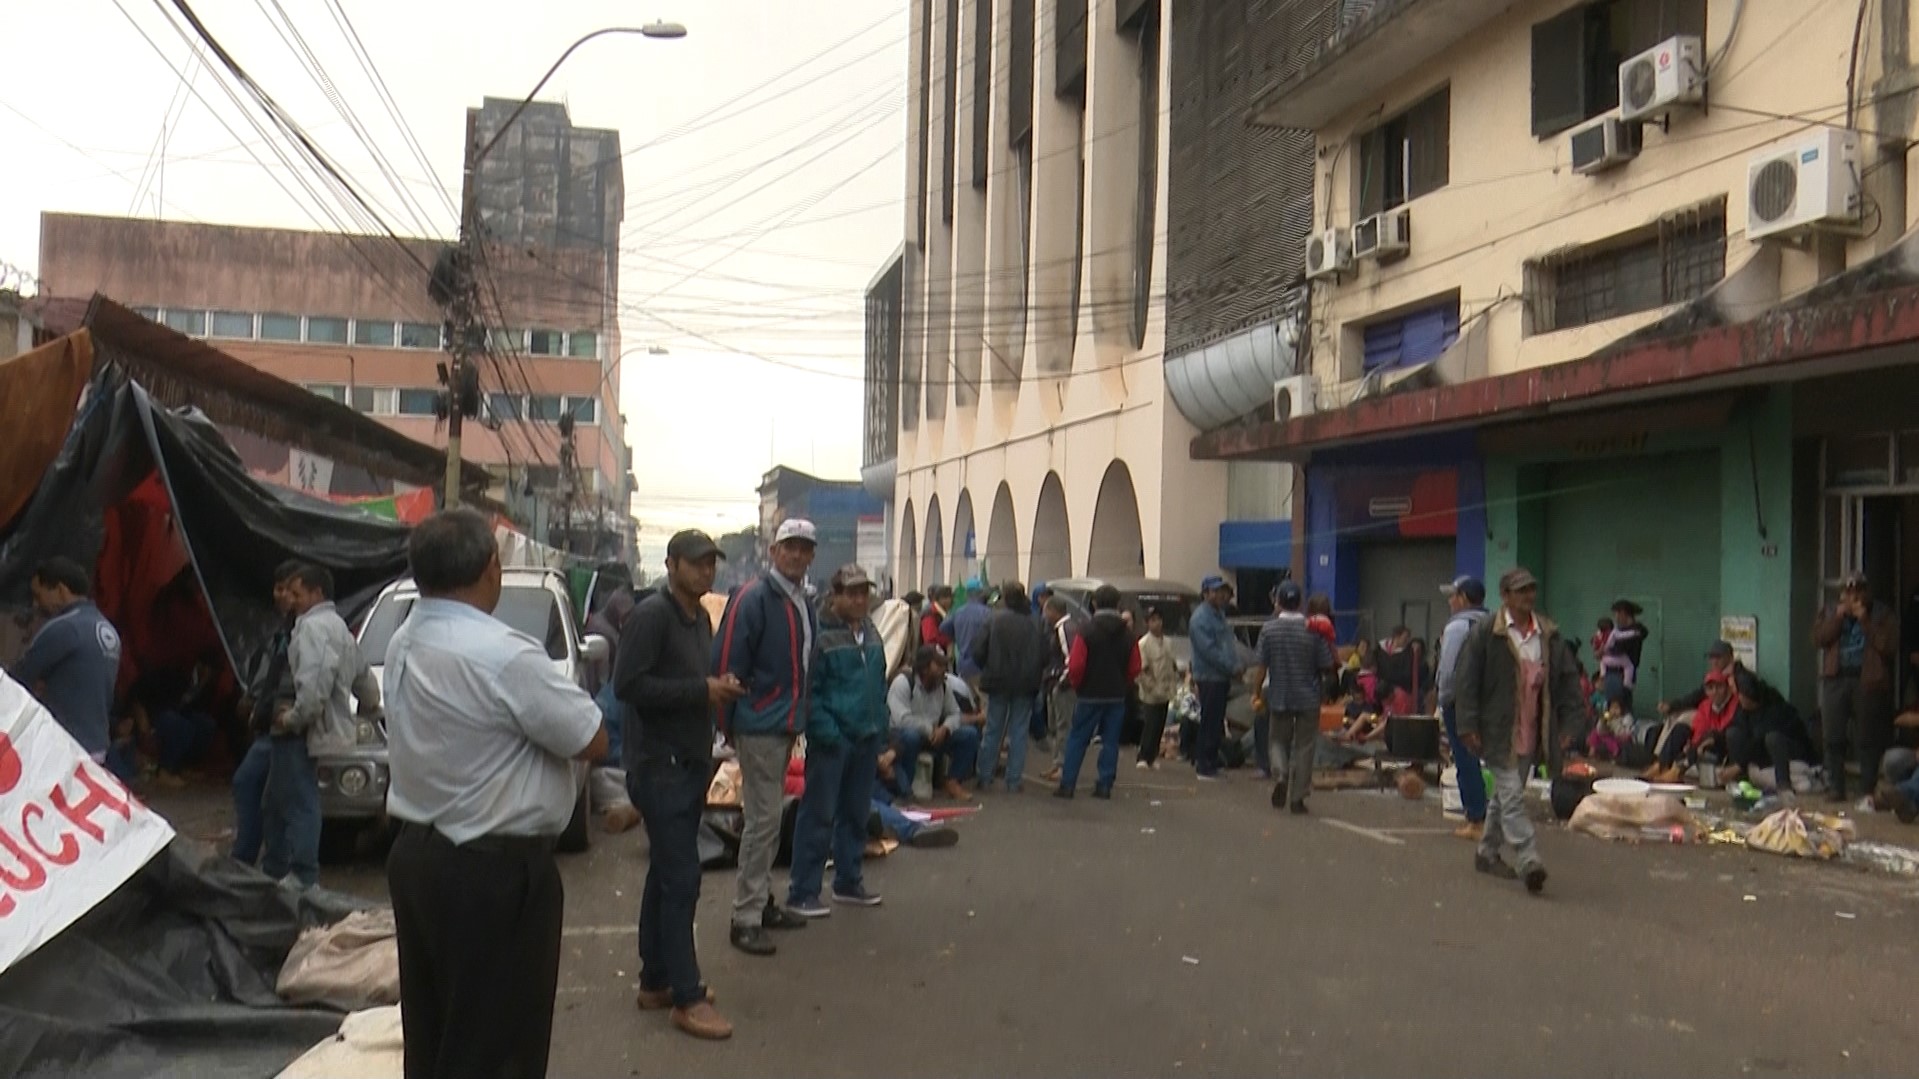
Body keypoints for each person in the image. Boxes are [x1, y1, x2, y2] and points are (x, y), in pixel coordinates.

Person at [383, 509, 610, 1077]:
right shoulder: (504, 654)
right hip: (491, 875)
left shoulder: (405, 637)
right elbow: (592, 738)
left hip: (420, 858)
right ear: (492, 568)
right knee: (498, 1046)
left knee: (435, 1037)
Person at [615, 530, 737, 1040]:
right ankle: (686, 996)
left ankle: (656, 978)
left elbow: (687, 686)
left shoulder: (701, 619)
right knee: (683, 878)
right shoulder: (652, 617)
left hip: (689, 762)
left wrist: (713, 695)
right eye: (694, 563)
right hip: (658, 765)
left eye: (710, 563)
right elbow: (628, 685)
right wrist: (700, 690)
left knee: (665, 875)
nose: (704, 572)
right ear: (670, 565)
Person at [713, 517, 819, 955]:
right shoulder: (754, 597)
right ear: (773, 552)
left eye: (803, 548)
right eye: (788, 547)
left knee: (771, 817)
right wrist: (729, 724)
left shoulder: (802, 601)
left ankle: (762, 901)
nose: (795, 554)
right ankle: (745, 916)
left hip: (784, 722)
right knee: (761, 821)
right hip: (758, 723)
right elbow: (727, 662)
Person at [1455, 567, 1583, 896]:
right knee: (1512, 796)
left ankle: (1486, 852)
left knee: (1503, 797)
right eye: (1521, 590)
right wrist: (1467, 723)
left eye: (1531, 590)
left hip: (1533, 730)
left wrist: (1568, 726)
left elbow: (1568, 683)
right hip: (1497, 731)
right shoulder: (1487, 632)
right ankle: (1529, 860)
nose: (1528, 596)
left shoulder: (1548, 635)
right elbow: (1467, 681)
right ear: (1506, 596)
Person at [264, 564, 377, 890]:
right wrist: (371, 705)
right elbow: (364, 678)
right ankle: (277, 870)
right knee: (276, 801)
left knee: (298, 802)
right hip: (314, 729)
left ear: (317, 593)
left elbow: (313, 688)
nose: (292, 599)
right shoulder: (339, 628)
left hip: (300, 732)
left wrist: (292, 718)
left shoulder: (312, 629)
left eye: (298, 593)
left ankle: (301, 875)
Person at [787, 566, 889, 917]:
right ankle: (802, 891)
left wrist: (881, 728)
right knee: (818, 816)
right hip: (833, 741)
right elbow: (810, 691)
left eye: (863, 592)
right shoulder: (819, 635)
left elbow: (879, 682)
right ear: (835, 596)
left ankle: (848, 882)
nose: (859, 599)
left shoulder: (872, 633)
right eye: (851, 593)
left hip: (866, 737)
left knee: (856, 815)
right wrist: (829, 733)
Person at [13, 557, 122, 762]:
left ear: (61, 590)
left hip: (63, 747)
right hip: (97, 746)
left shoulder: (65, 627)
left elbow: (19, 679)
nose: (36, 604)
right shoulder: (108, 630)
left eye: (39, 595)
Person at [232, 561, 302, 869]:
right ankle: (258, 860)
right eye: (279, 588)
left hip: (287, 724)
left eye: (290, 589)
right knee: (259, 790)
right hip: (268, 722)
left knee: (261, 789)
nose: (283, 595)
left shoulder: (306, 630)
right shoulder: (277, 630)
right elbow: (264, 673)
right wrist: (252, 698)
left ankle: (259, 860)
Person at [1251, 581, 1340, 815]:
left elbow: (1261, 667)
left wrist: (1256, 692)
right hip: (1308, 697)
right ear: (1300, 603)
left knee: (1277, 741)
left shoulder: (1269, 630)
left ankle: (1280, 773)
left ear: (1279, 602)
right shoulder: (1313, 629)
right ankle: (1298, 798)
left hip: (1279, 694)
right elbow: (1327, 664)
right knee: (1305, 746)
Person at [1812, 575, 1900, 806]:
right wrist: (1838, 618)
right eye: (1846, 593)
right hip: (1836, 678)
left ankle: (1866, 790)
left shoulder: (1881, 614)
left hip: (1867, 681)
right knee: (1832, 737)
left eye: (1856, 593)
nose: (1851, 598)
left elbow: (1889, 646)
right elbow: (1818, 638)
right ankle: (1835, 787)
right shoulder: (1832, 611)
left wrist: (1865, 621)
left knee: (1867, 739)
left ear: (1865, 593)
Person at [1054, 585, 1140, 800]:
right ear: (1118, 604)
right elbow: (1135, 667)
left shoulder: (1086, 631)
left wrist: (1078, 685)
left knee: (1078, 738)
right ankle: (1104, 784)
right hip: (1116, 695)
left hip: (1089, 693)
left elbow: (1075, 666)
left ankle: (1068, 784)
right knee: (1110, 741)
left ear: (1094, 603)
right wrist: (1123, 684)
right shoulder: (1128, 635)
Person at [973, 579, 1044, 792]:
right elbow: (1045, 652)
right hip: (1026, 683)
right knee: (1019, 731)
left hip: (997, 681)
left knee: (993, 728)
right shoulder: (1035, 621)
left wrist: (988, 666)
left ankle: (985, 777)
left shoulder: (994, 619)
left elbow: (978, 650)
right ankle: (1013, 781)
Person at [1435, 575, 1489, 841]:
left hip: (1459, 701)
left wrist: (1443, 698)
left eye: (1453, 595)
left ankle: (1476, 817)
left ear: (1464, 598)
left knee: (1465, 759)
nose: (1450, 600)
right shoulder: (1491, 622)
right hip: (1487, 700)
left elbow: (1448, 668)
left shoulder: (1458, 627)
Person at [886, 647, 973, 796]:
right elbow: (902, 720)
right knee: (910, 736)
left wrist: (945, 728)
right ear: (925, 668)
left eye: (944, 666)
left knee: (969, 734)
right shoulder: (903, 683)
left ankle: (953, 781)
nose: (943, 670)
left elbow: (955, 714)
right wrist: (929, 729)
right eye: (938, 666)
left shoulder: (943, 686)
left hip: (934, 736)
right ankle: (904, 787)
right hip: (903, 736)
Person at [1189, 575, 1242, 781]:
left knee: (1215, 720)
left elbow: (1227, 645)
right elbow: (1210, 651)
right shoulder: (1201, 619)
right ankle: (1204, 764)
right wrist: (1232, 667)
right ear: (1205, 593)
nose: (1220, 594)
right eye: (1215, 591)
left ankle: (1211, 760)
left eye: (1222, 591)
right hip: (1210, 676)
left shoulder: (1218, 614)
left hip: (1220, 676)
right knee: (1209, 720)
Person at [1724, 671, 1811, 796]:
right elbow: (1736, 726)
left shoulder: (1775, 707)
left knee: (1773, 738)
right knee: (1733, 733)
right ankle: (1741, 782)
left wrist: (1739, 765)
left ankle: (1784, 785)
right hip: (1762, 753)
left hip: (1790, 750)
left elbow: (1760, 738)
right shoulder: (1743, 709)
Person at [1646, 670, 1737, 784]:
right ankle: (1661, 765)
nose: (1715, 692)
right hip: (1704, 744)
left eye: (1719, 687)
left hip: (1723, 746)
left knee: (1711, 737)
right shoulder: (1705, 705)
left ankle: (1677, 771)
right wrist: (1692, 744)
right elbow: (1699, 727)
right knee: (1681, 729)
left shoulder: (1734, 704)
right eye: (1710, 688)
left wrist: (1702, 742)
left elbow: (1724, 728)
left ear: (1727, 689)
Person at [1039, 597, 1084, 783]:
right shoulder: (1065, 628)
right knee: (1057, 725)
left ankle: (1062, 765)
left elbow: (1070, 658)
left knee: (1063, 725)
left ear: (1053, 611)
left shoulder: (1064, 629)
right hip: (1056, 683)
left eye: (1045, 610)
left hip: (1063, 685)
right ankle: (1057, 763)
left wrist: (1063, 681)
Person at [1135, 608, 1179, 770]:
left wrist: (1172, 686)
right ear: (1147, 623)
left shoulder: (1167, 642)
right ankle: (1143, 755)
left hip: (1166, 689)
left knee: (1160, 724)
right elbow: (1143, 670)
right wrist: (1151, 687)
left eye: (1159, 619)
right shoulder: (1143, 643)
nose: (1157, 623)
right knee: (1150, 724)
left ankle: (1152, 756)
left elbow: (1172, 666)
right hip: (1151, 692)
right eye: (1152, 620)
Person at [941, 585, 993, 696]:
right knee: (984, 704)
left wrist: (956, 634)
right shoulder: (987, 613)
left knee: (967, 703)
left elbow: (943, 628)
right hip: (982, 667)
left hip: (963, 666)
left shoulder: (958, 612)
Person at [1599, 600, 1647, 712]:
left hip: (1621, 673)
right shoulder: (1620, 630)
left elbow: (1620, 649)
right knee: (1612, 708)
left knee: (1620, 709)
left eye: (1617, 614)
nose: (1616, 617)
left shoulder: (1635, 632)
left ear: (1624, 613)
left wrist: (1605, 651)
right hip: (1612, 673)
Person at [920, 586, 954, 655]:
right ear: (939, 599)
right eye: (946, 598)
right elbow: (930, 639)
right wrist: (948, 641)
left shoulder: (942, 614)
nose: (949, 601)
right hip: (932, 656)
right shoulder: (930, 614)